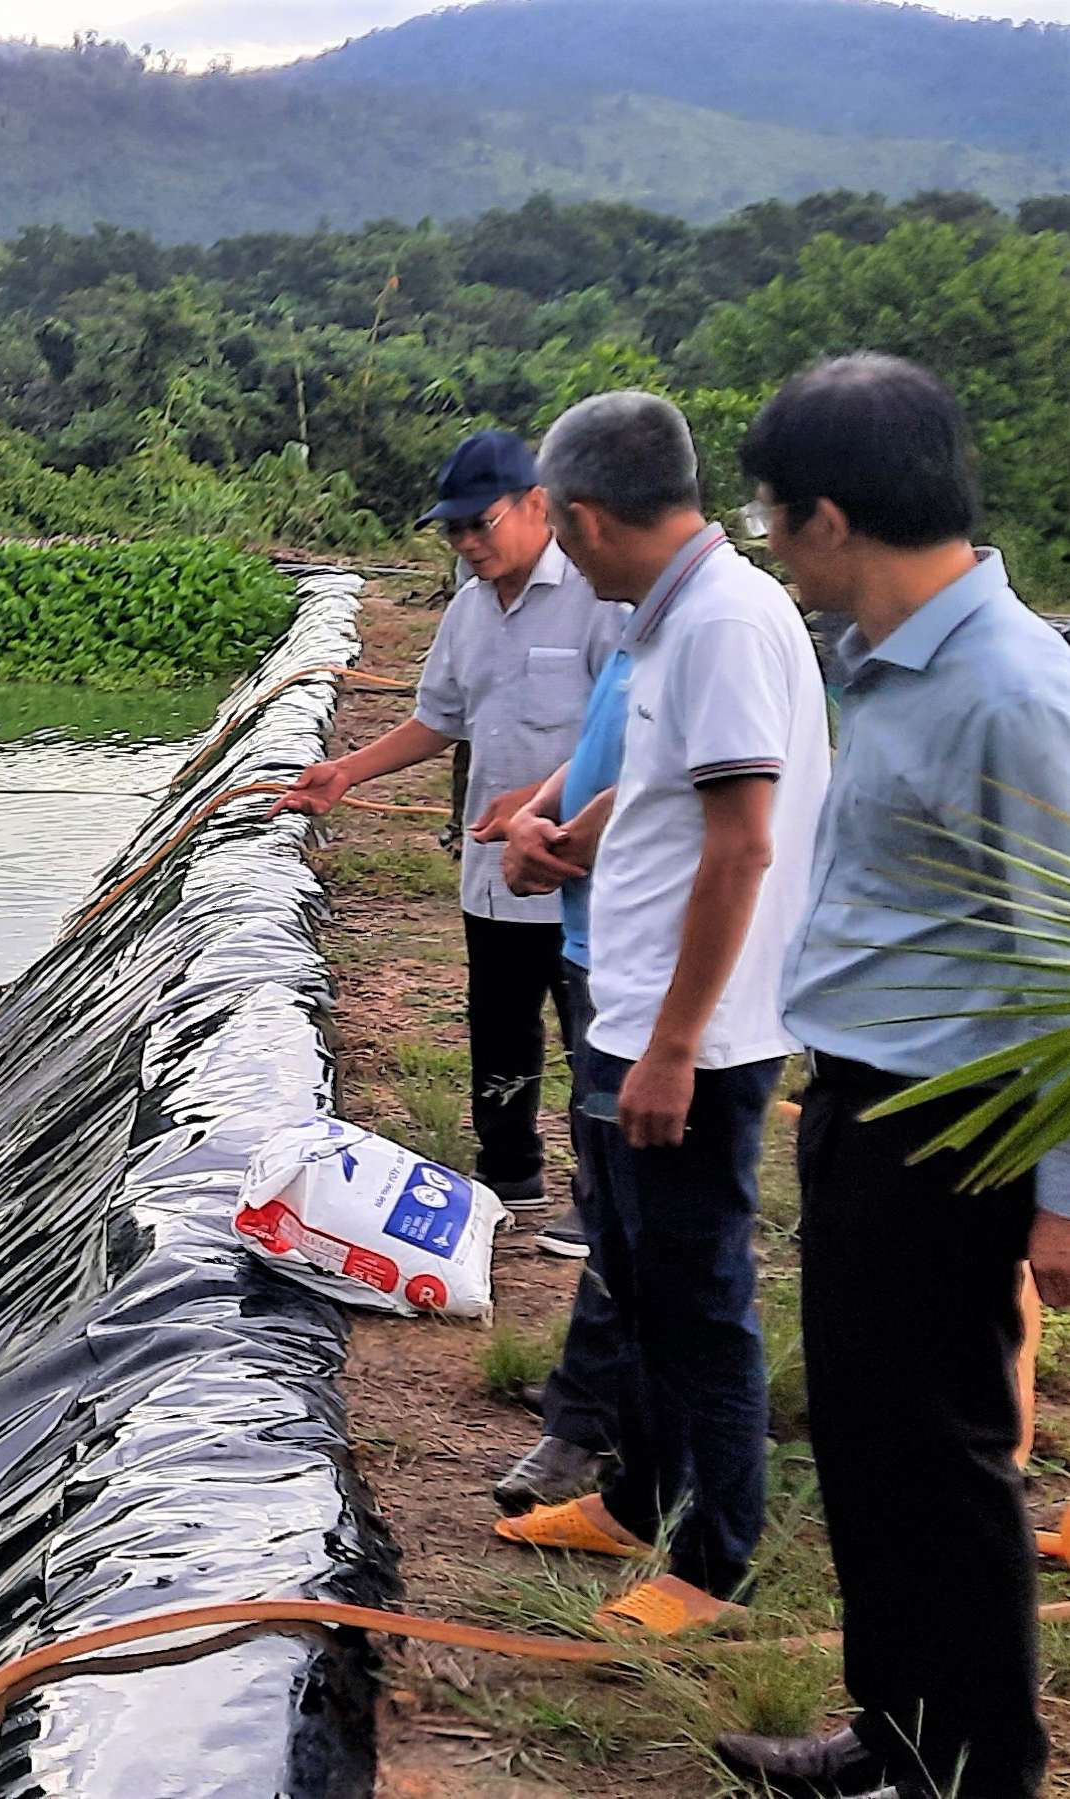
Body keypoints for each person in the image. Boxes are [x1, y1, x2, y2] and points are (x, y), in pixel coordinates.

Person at [715, 355, 1070, 1799]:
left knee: (940, 1454)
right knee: (866, 1440)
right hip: (866, 1104)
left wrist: (1059, 1199)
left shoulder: (1006, 692)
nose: (770, 549)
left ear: (825, 517)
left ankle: (973, 1768)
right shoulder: (887, 664)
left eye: (769, 520)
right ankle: (896, 1724)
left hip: (955, 1130)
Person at [491, 391, 832, 1639]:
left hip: (697, 1034)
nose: (565, 556)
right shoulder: (672, 619)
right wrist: (560, 837)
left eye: (560, 532)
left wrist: (678, 1045)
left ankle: (718, 1565)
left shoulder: (727, 625)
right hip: (634, 1009)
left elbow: (741, 846)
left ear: (582, 515)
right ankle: (636, 1501)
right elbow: (657, 790)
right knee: (633, 1279)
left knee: (699, 1299)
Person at [277, 430, 628, 1224]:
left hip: (581, 867)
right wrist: (344, 773)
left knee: (595, 1037)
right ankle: (509, 1176)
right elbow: (438, 721)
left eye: (482, 522)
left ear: (536, 505)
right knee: (499, 1033)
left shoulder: (597, 598)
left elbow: (631, 734)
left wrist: (540, 801)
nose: (469, 542)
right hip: (494, 874)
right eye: (454, 530)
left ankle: (598, 1198)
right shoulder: (470, 610)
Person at [471, 629, 636, 1517]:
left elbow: (695, 793)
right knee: (624, 1215)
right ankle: (592, 1424)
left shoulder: (714, 626)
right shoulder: (645, 631)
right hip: (596, 944)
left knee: (664, 1231)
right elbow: (610, 761)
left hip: (648, 978)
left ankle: (653, 1482)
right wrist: (540, 812)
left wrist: (557, 832)